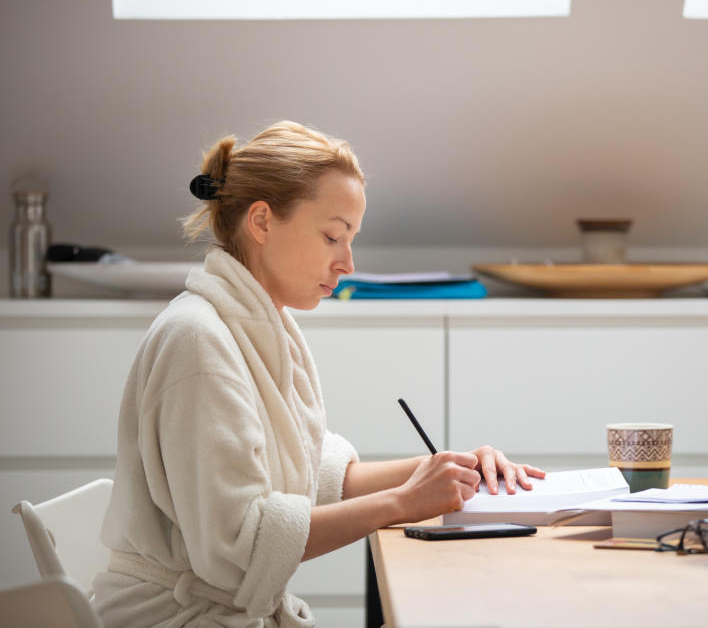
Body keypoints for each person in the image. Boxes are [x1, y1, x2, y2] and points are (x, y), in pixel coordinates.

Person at [92, 120, 545, 627]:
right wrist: (403, 502)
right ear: (261, 221)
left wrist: (452, 470)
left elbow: (325, 478)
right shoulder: (198, 341)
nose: (347, 262)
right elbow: (236, 547)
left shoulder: (267, 325)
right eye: (333, 236)